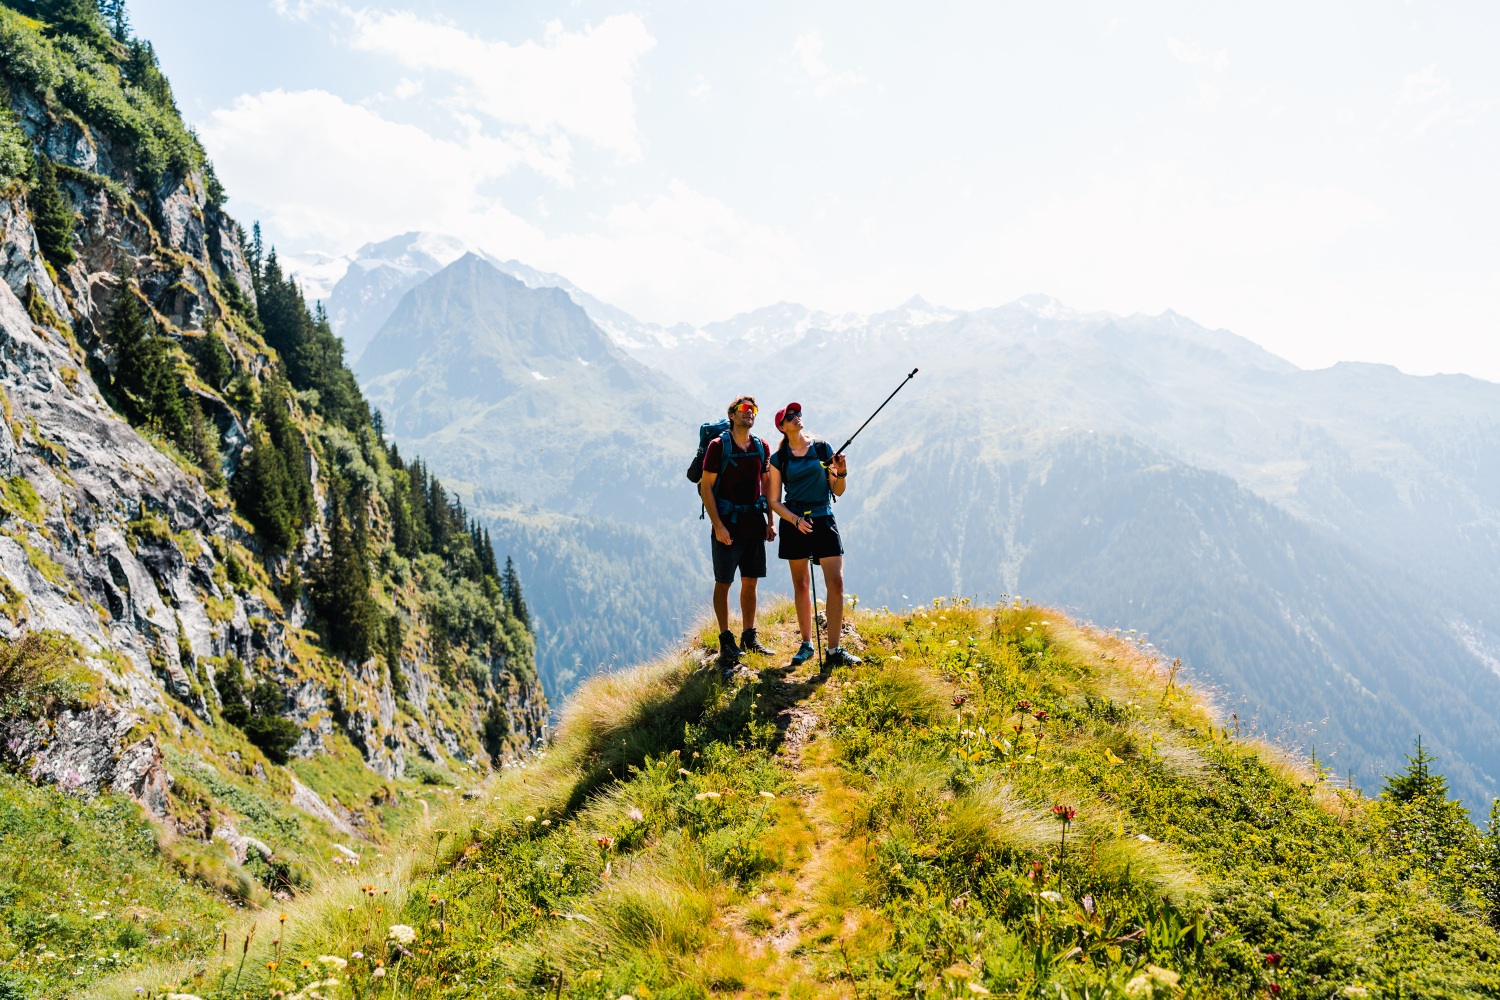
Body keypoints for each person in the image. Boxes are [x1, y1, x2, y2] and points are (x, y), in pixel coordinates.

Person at [766, 401, 861, 668]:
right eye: (790, 416)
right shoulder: (778, 459)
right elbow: (774, 500)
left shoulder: (822, 448)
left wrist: (841, 472)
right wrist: (795, 521)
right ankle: (807, 644)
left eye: (798, 414)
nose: (797, 417)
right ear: (782, 427)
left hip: (823, 517)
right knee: (801, 585)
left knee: (836, 583)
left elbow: (837, 490)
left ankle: (834, 649)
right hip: (794, 522)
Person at [699, 395, 776, 669]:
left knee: (751, 581)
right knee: (724, 582)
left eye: (753, 410)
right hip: (727, 525)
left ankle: (749, 636)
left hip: (754, 523)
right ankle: (725, 639)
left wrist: (770, 521)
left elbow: (766, 486)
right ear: (732, 414)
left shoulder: (761, 446)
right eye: (744, 409)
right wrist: (718, 525)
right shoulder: (718, 446)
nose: (750, 413)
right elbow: (705, 487)